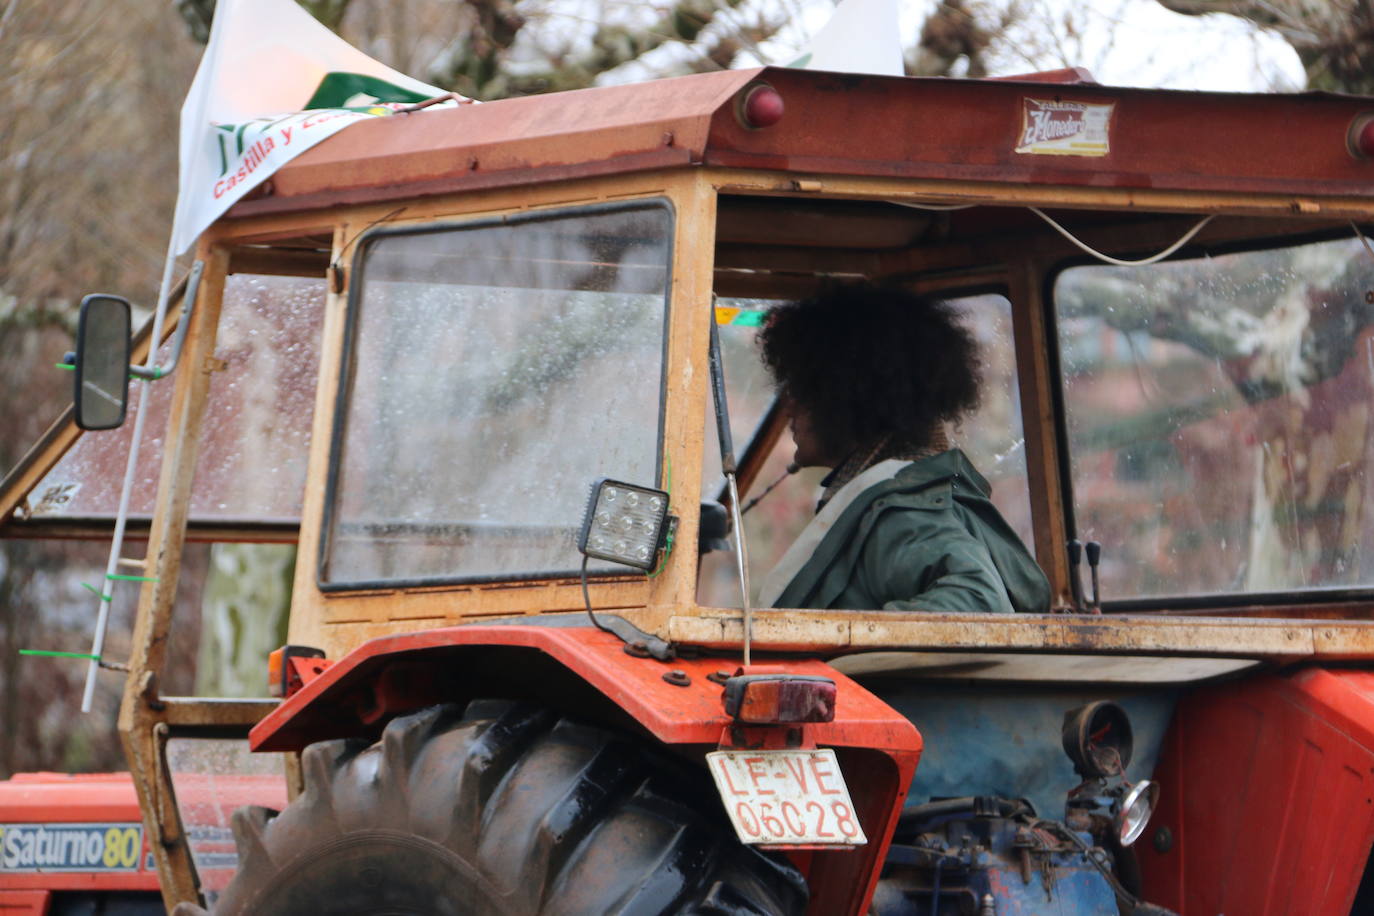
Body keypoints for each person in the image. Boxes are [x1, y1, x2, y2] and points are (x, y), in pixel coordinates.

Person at [754, 282, 1050, 614]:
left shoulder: (901, 511)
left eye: (800, 389)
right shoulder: (900, 495)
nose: (789, 408)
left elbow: (980, 603)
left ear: (845, 398)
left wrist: (848, 639)